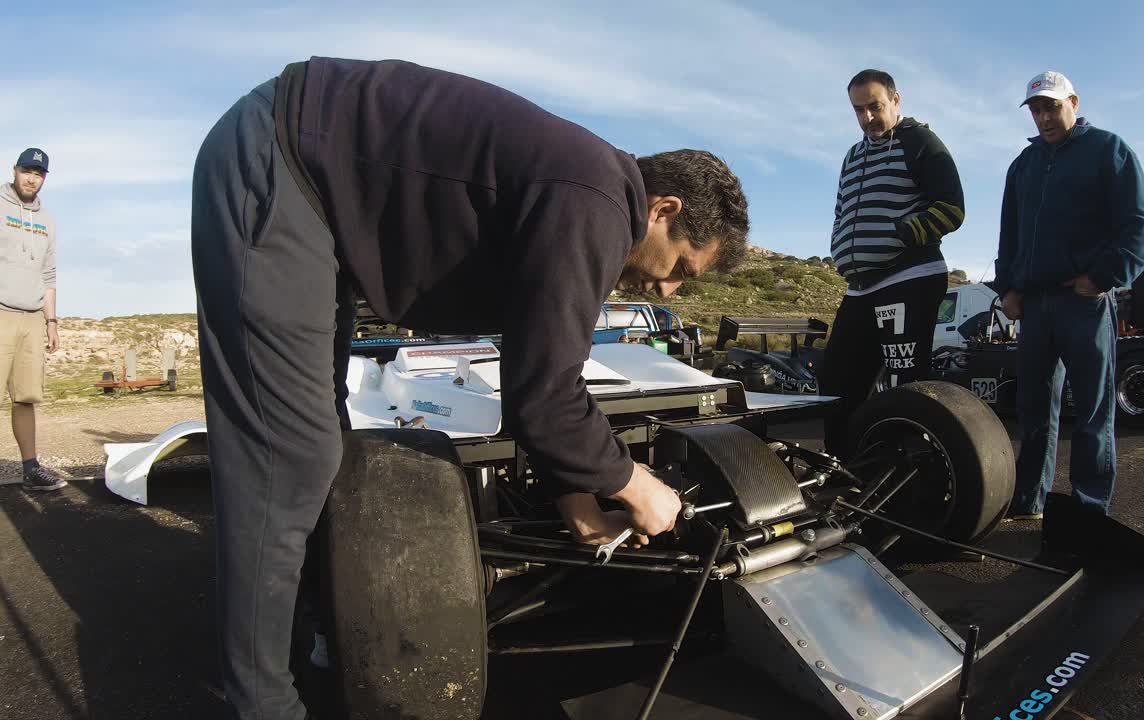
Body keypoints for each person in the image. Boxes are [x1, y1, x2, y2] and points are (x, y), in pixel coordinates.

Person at [190, 56, 749, 720]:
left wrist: (576, 500)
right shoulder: (598, 203)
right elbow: (544, 401)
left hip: (320, 195)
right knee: (289, 459)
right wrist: (634, 484)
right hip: (281, 159)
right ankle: (261, 701)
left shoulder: (590, 193)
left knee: (323, 443)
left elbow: (542, 376)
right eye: (681, 267)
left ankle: (309, 626)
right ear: (663, 209)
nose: (668, 290)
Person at [993, 71, 1144, 520]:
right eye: (1036, 109)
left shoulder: (1108, 150)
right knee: (1034, 413)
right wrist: (1006, 286)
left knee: (1091, 411)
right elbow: (1010, 233)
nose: (1044, 117)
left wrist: (1103, 277)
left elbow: (1141, 225)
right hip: (1034, 306)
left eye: (1052, 106)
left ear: (1074, 102)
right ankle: (1030, 502)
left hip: (1083, 302)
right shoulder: (1022, 165)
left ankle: (1089, 510)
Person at [818, 68, 965, 457]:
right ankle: (846, 470)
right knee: (835, 379)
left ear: (896, 100)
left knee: (904, 383)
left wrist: (902, 234)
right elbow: (840, 211)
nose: (867, 117)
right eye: (858, 110)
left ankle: (911, 474)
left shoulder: (920, 142)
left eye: (875, 106)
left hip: (909, 277)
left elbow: (952, 208)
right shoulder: (853, 155)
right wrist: (841, 248)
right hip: (861, 285)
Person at [2, 148, 65, 492]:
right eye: (27, 171)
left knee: (25, 397)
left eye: (38, 174)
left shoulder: (48, 220)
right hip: (1, 313)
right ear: (15, 170)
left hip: (32, 319)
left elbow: (49, 274)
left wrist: (51, 322)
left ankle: (30, 468)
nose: (31, 178)